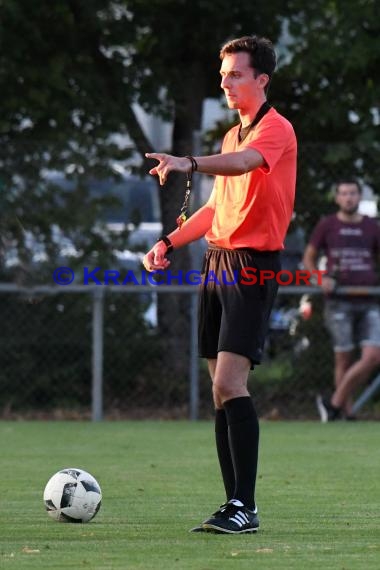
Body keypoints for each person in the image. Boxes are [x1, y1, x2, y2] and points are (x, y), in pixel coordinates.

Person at [143, 35, 297, 534]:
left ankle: (244, 507)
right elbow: (214, 209)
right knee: (218, 391)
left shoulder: (275, 130)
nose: (225, 81)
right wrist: (169, 241)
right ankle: (234, 505)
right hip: (217, 262)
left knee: (231, 383)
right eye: (223, 73)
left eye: (235, 73)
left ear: (261, 80)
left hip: (252, 265)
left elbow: (245, 163)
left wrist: (189, 161)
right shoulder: (233, 135)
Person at [303, 180, 380, 422]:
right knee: (343, 358)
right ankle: (346, 413)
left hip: (369, 298)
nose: (349, 198)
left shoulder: (372, 227)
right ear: (337, 198)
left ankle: (332, 403)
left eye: (353, 193)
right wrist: (318, 279)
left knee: (373, 357)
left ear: (359, 196)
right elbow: (309, 258)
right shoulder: (327, 225)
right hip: (338, 300)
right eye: (344, 193)